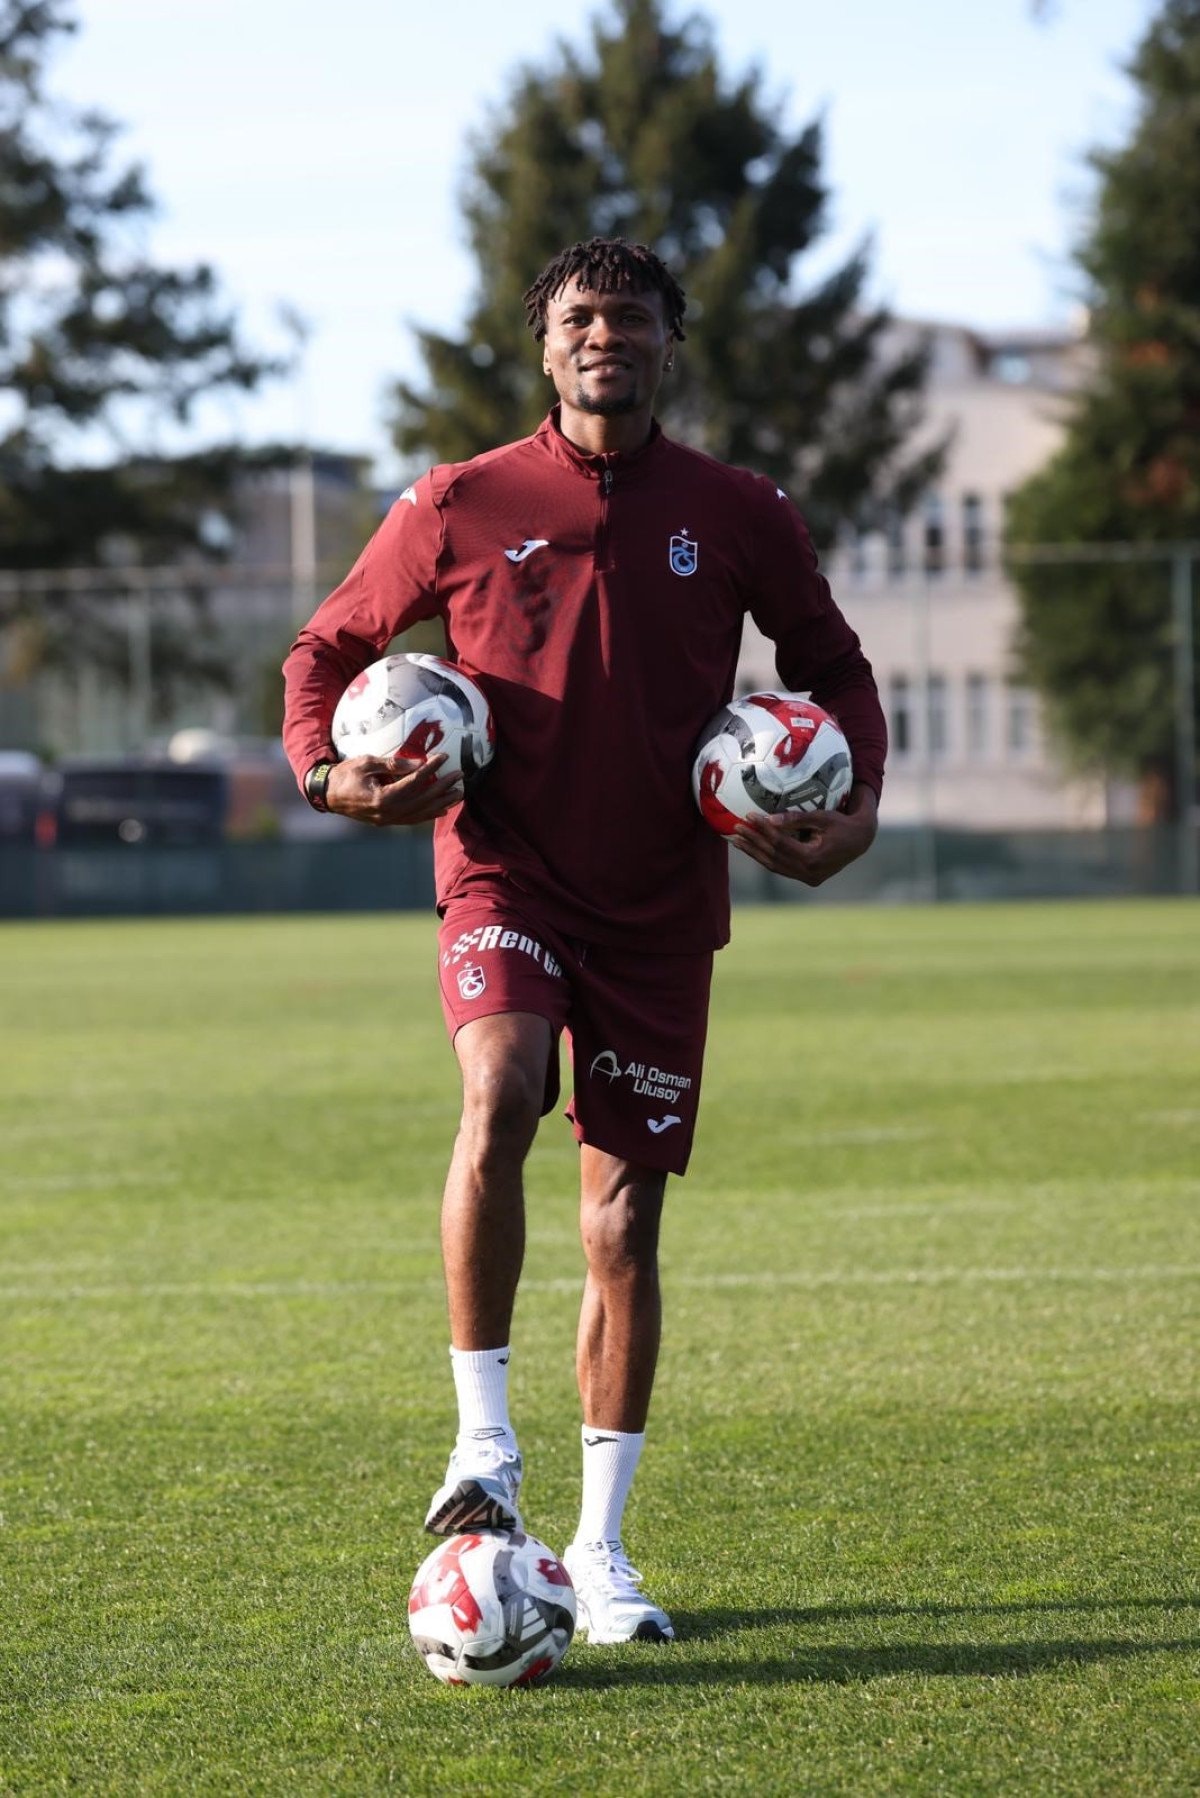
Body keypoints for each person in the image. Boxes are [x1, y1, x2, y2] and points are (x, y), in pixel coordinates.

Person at [282, 237, 886, 1646]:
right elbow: (324, 651)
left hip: (664, 904)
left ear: (671, 340)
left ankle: (601, 1554)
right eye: (578, 317)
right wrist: (327, 774)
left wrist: (855, 808)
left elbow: (835, 665)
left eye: (630, 315)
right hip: (507, 871)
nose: (603, 334)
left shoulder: (738, 511)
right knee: (500, 1093)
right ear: (545, 346)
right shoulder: (460, 500)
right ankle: (483, 1444)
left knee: (622, 1222)